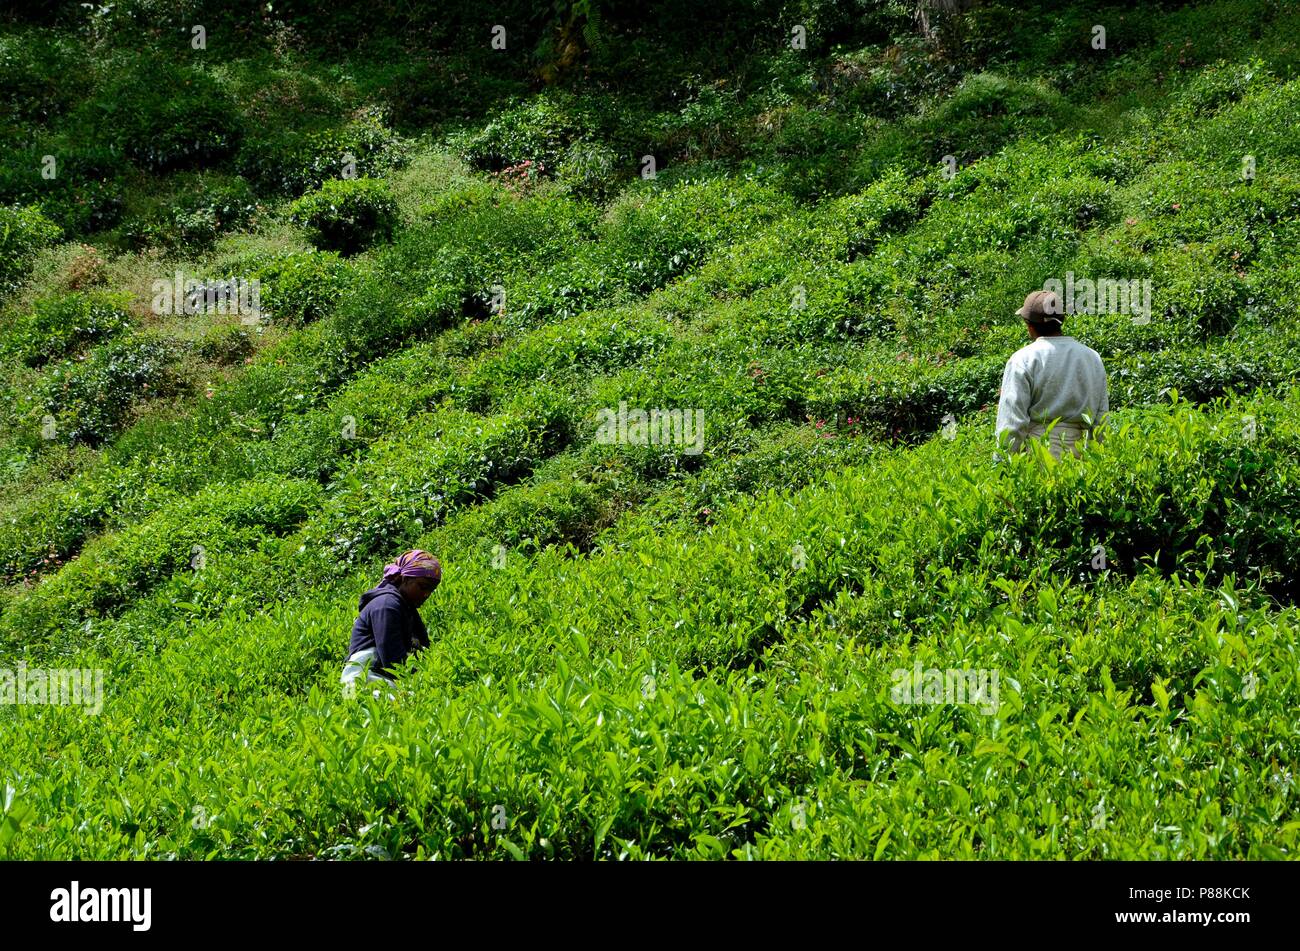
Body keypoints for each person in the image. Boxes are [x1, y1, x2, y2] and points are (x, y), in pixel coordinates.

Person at [996, 289, 1109, 460]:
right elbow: (1101, 421)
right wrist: (1096, 463)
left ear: (1030, 326)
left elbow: (1012, 423)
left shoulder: (1023, 359)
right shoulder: (1091, 357)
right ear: (1060, 322)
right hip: (1080, 463)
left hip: (1036, 459)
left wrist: (1003, 465)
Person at [341, 549, 441, 693]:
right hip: (364, 682)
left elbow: (425, 650)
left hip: (386, 680)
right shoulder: (386, 605)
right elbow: (393, 661)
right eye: (422, 586)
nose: (426, 594)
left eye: (431, 590)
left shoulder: (407, 609)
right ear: (404, 579)